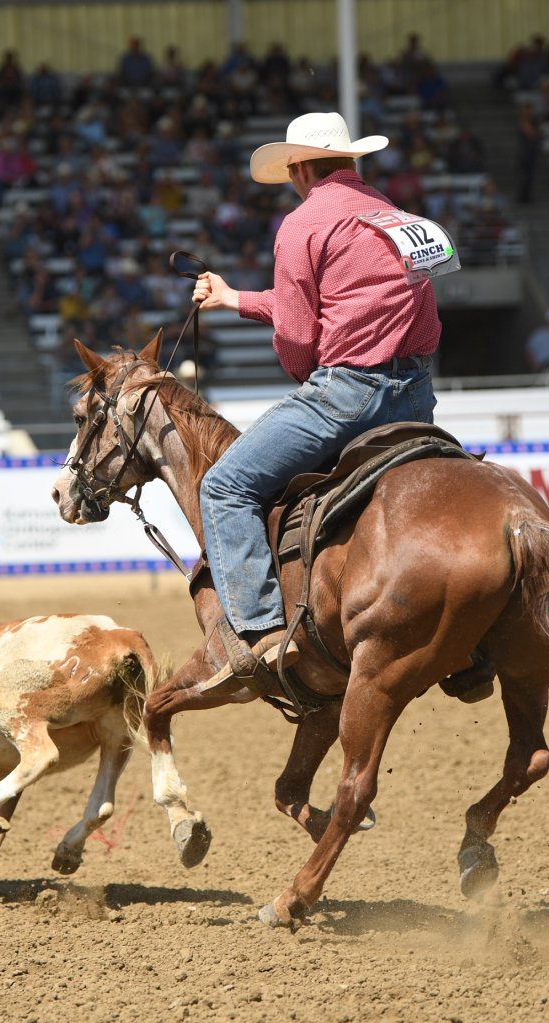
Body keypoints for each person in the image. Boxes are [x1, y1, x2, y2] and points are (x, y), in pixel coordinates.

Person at [189, 111, 443, 684]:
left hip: (347, 394)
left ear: (300, 167)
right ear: (349, 161)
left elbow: (301, 338)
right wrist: (236, 298)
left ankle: (263, 634)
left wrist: (305, 369)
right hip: (416, 397)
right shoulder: (397, 216)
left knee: (225, 486)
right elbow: (348, 301)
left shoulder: (303, 224)